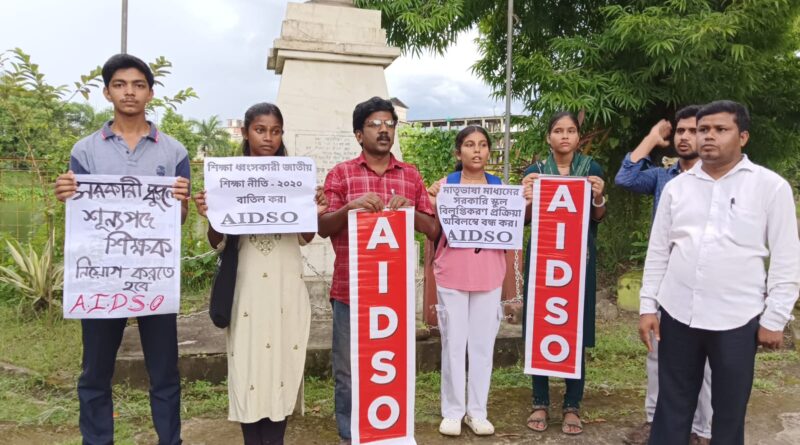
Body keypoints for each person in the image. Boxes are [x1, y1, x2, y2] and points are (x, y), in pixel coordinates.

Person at [639, 100, 800, 445]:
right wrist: (647, 306)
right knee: (672, 408)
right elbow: (658, 252)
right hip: (678, 313)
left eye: (720, 129)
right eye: (702, 130)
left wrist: (776, 317)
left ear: (742, 136)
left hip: (737, 319)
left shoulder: (770, 188)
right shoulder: (676, 188)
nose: (708, 136)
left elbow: (786, 257)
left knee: (727, 414)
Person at [53, 53, 191, 445]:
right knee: (95, 371)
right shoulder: (85, 150)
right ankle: (97, 440)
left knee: (164, 372)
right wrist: (67, 194)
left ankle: (170, 440)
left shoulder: (174, 152)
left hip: (154, 278)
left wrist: (180, 202)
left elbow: (177, 221)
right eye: (120, 84)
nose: (129, 92)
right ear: (107, 92)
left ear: (150, 92)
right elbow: (81, 214)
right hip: (100, 280)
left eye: (138, 85)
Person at [193, 103, 328, 444]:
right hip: (246, 289)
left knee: (284, 360)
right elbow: (216, 242)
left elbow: (305, 237)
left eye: (276, 131)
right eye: (260, 130)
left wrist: (311, 210)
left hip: (286, 285)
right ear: (245, 132)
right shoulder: (229, 178)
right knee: (249, 364)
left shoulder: (294, 178)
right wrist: (211, 213)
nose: (268, 138)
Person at [317, 96, 439, 445]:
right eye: (375, 124)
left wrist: (410, 212)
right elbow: (324, 227)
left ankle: (388, 433)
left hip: (392, 294)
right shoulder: (341, 174)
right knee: (347, 371)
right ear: (359, 134)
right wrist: (351, 209)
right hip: (350, 290)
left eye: (389, 123)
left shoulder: (410, 174)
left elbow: (432, 229)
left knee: (391, 365)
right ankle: (349, 435)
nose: (384, 130)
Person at [615, 106, 713, 445]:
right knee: (657, 351)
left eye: (692, 131)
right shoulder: (663, 177)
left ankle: (703, 430)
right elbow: (625, 177)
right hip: (665, 275)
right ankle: (654, 421)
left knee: (707, 357)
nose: (685, 137)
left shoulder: (718, 178)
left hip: (706, 277)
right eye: (680, 132)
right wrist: (652, 139)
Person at [521, 111, 606, 436]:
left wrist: (598, 195)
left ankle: (573, 404)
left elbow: (598, 217)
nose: (565, 136)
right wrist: (526, 196)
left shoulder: (591, 169)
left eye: (571, 130)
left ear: (578, 137)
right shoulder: (536, 171)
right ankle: (539, 400)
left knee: (574, 327)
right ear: (549, 137)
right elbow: (525, 220)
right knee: (542, 326)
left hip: (577, 261)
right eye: (558, 130)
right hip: (545, 263)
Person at [425, 126, 505, 437]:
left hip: (489, 273)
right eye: (469, 145)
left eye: (483, 145)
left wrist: (525, 197)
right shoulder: (445, 186)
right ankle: (453, 412)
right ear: (458, 153)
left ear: (488, 151)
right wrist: (431, 198)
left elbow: (511, 224)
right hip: (453, 274)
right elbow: (433, 223)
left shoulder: (500, 187)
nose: (477, 150)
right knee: (454, 344)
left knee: (483, 346)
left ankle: (478, 412)